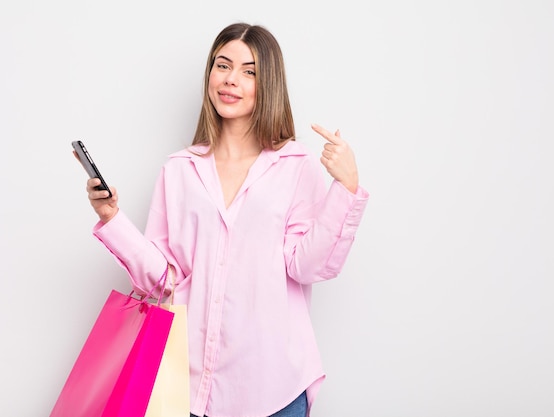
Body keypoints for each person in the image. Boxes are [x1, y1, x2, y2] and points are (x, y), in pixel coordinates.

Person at [80, 22, 369, 417]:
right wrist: (112, 218)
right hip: (188, 386)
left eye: (249, 71)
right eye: (223, 65)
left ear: (267, 83)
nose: (231, 80)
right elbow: (165, 278)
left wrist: (346, 188)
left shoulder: (295, 166)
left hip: (273, 387)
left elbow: (309, 266)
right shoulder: (180, 170)